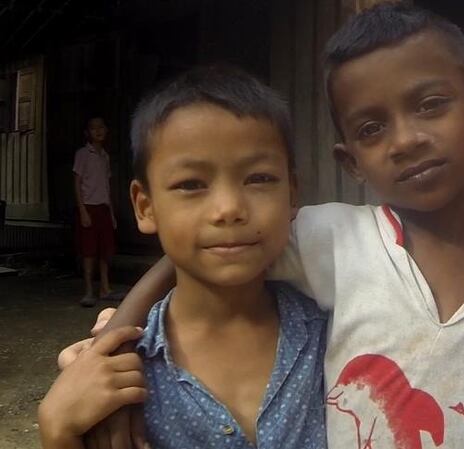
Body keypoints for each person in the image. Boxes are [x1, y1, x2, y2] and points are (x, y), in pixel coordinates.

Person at [59, 5, 464, 449]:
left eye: (430, 105)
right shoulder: (333, 239)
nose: (406, 140)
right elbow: (205, 250)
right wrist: (120, 342)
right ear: (351, 161)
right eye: (372, 128)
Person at [39, 66, 328, 449]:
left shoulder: (337, 336)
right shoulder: (120, 373)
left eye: (258, 178)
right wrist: (58, 431)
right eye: (191, 184)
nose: (228, 209)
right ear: (145, 207)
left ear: (292, 193)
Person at [73, 116, 117, 307]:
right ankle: (89, 290)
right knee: (89, 251)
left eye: (101, 127)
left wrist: (112, 213)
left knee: (105, 250)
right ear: (87, 133)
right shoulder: (83, 154)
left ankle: (105, 288)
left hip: (104, 208)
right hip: (89, 207)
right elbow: (77, 182)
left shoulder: (105, 156)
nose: (98, 131)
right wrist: (82, 210)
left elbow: (106, 186)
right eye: (93, 128)